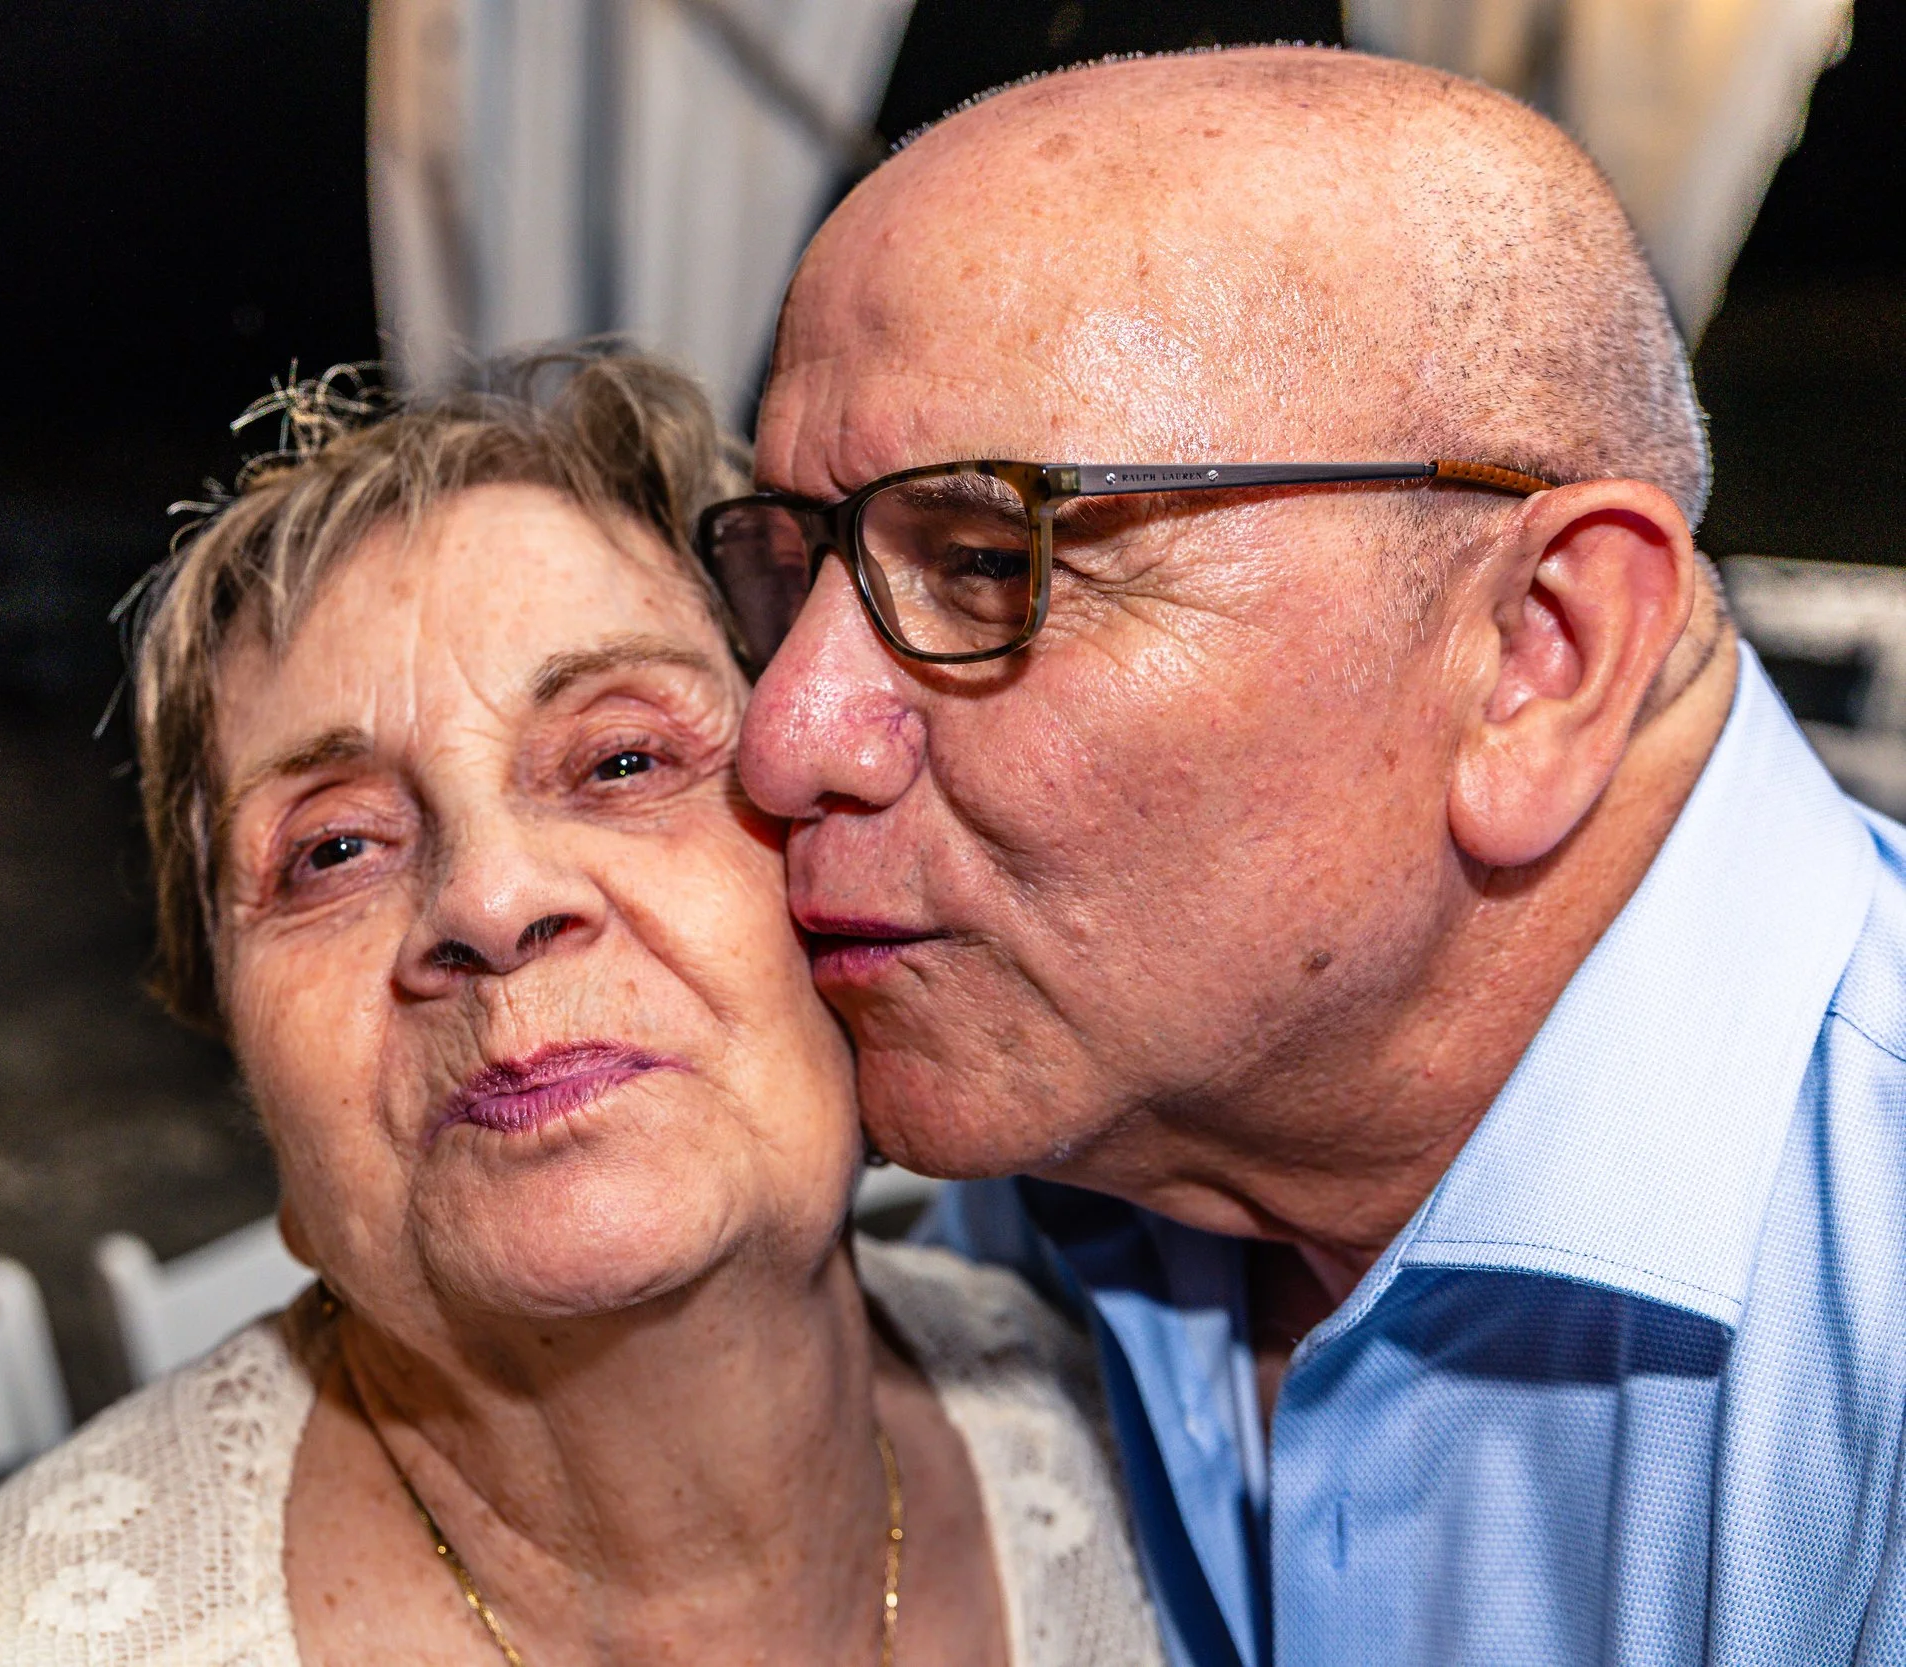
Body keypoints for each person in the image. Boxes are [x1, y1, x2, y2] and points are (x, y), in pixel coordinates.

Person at [712, 44, 1906, 1667]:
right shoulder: (1063, 1158)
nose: (782, 738)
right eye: (794, 574)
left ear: (1537, 653)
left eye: (990, 561)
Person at [0, 354, 1164, 1666]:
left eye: (622, 759)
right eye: (334, 848)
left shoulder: (1143, 1437)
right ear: (248, 1073)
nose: (492, 898)